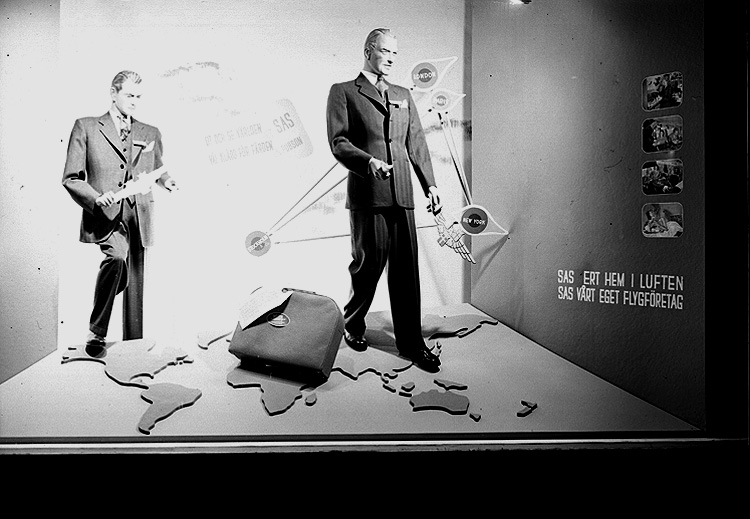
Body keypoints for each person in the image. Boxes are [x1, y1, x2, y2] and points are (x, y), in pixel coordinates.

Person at [326, 28, 442, 372]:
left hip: (402, 193)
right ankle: (353, 323)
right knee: (369, 264)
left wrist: (430, 185)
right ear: (368, 51)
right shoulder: (344, 91)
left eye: (395, 53)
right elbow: (339, 141)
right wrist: (367, 162)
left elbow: (415, 142)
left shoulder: (403, 94)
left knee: (406, 270)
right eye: (385, 51)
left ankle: (411, 343)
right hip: (368, 193)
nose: (391, 58)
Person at [62, 70, 177, 354]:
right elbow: (71, 178)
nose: (134, 101)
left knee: (136, 281)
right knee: (116, 257)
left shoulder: (150, 132)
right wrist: (96, 198)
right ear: (113, 93)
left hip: (139, 213)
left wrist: (166, 181)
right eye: (129, 95)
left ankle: (134, 345)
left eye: (139, 96)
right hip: (106, 213)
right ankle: (96, 331)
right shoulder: (86, 127)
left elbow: (156, 166)